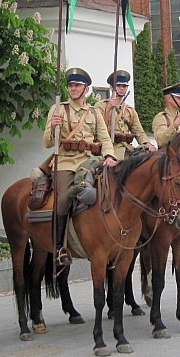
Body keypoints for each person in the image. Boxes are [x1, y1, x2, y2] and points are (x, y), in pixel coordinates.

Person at [43, 67, 117, 266]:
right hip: (66, 162)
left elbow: (104, 137)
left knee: (110, 190)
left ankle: (109, 242)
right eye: (70, 85)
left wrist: (109, 155)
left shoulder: (93, 112)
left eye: (77, 85)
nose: (73, 88)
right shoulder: (58, 109)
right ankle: (59, 247)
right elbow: (47, 143)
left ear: (86, 89)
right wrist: (53, 128)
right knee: (64, 198)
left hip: (89, 161)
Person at [95, 70, 156, 160]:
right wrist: (108, 109)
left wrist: (147, 143)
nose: (122, 88)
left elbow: (139, 132)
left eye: (124, 86)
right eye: (118, 85)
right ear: (111, 87)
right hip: (110, 150)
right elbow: (98, 129)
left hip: (128, 150)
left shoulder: (129, 111)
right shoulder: (100, 106)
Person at [152, 83, 180, 147]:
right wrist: (175, 125)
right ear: (169, 99)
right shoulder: (161, 117)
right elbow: (161, 141)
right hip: (166, 155)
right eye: (178, 98)